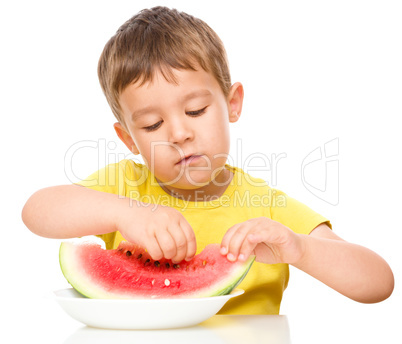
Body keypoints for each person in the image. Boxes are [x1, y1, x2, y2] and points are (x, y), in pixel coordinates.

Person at [22, 6, 394, 314]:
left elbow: (378, 283)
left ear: (232, 104)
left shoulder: (264, 207)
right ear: (128, 139)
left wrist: (300, 248)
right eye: (152, 125)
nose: (179, 134)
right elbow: (36, 210)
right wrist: (125, 213)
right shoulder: (123, 186)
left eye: (196, 111)